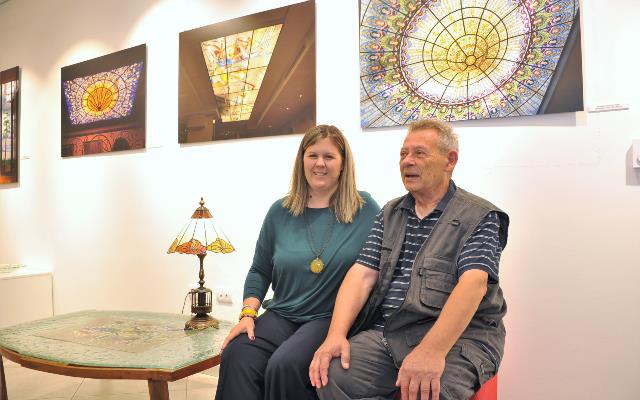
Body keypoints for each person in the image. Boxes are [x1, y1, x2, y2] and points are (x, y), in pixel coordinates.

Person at [309, 118, 509, 400]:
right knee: (331, 374)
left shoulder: (480, 216)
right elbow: (362, 274)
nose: (407, 161)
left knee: (427, 392)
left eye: (419, 153)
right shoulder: (390, 212)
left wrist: (431, 351)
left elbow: (473, 284)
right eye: (403, 154)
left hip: (459, 340)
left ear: (450, 160)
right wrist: (335, 335)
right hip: (390, 334)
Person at [215, 125, 380, 400]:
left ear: (343, 163)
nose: (320, 163)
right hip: (283, 313)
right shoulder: (280, 211)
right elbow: (260, 270)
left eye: (329, 156)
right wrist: (247, 314)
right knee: (238, 353)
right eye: (312, 155)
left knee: (285, 365)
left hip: (330, 317)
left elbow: (378, 270)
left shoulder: (365, 210)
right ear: (301, 160)